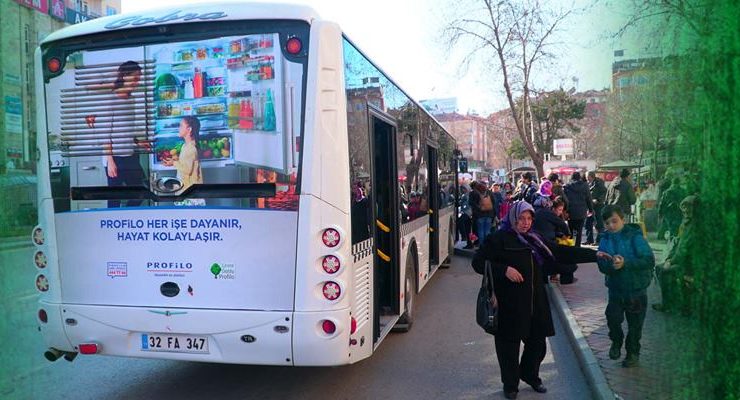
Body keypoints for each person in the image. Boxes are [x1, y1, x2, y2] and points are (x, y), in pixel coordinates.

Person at [473, 201, 596, 398]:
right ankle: (510, 384)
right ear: (513, 218)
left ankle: (530, 375)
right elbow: (478, 262)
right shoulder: (498, 239)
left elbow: (561, 253)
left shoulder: (536, 240)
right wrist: (504, 270)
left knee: (537, 344)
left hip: (535, 301)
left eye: (529, 218)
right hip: (509, 304)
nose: (525, 223)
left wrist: (596, 255)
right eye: (521, 218)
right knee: (508, 348)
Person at [596, 205, 655, 368]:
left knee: (635, 325)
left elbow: (649, 260)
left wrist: (626, 263)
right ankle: (616, 340)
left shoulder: (635, 236)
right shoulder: (605, 238)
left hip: (636, 289)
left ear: (623, 219)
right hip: (616, 289)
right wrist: (610, 266)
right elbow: (601, 263)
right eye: (607, 223)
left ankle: (632, 353)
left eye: (614, 221)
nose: (611, 226)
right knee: (613, 319)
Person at [105, 61, 147, 207]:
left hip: (130, 155)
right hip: (115, 157)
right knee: (114, 199)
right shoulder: (110, 100)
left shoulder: (132, 100)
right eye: (135, 78)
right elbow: (105, 133)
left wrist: (137, 142)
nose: (137, 82)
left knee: (140, 192)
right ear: (124, 76)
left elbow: (127, 128)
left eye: (139, 78)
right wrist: (110, 161)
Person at [653, 195, 697, 313]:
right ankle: (673, 302)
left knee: (663, 271)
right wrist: (669, 258)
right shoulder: (686, 223)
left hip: (690, 264)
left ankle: (669, 305)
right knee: (660, 268)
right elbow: (678, 243)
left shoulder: (693, 226)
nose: (686, 210)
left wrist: (671, 261)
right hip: (684, 260)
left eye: (689, 207)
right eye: (684, 207)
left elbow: (684, 250)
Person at [532, 197, 578, 284]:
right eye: (559, 210)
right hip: (547, 241)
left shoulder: (538, 212)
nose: (560, 212)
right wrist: (567, 235)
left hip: (536, 240)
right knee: (564, 260)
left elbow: (549, 229)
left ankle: (547, 279)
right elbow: (563, 225)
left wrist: (560, 234)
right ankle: (564, 279)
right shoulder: (549, 214)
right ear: (553, 208)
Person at [163, 116, 203, 189]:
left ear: (189, 129)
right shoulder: (185, 145)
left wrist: (173, 163)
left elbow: (187, 170)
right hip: (185, 187)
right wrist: (175, 160)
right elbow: (185, 163)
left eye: (181, 126)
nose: (179, 129)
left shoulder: (191, 148)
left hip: (189, 190)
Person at [563, 172, 593, 247]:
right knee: (579, 232)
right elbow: (588, 199)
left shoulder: (567, 186)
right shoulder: (585, 185)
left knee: (570, 231)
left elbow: (565, 200)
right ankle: (577, 247)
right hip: (581, 212)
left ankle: (571, 247)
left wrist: (565, 211)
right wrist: (591, 209)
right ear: (579, 177)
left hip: (570, 212)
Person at [585, 170, 607, 245]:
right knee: (588, 223)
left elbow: (605, 193)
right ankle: (589, 239)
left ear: (591, 176)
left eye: (587, 176)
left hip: (598, 206)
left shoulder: (599, 183)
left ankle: (599, 241)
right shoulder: (588, 183)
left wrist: (598, 200)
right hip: (590, 206)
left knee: (599, 224)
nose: (586, 178)